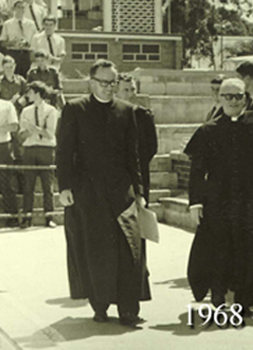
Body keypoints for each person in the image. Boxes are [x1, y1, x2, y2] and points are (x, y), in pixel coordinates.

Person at [57, 59, 149, 327]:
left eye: (113, 82)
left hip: (122, 192)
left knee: (129, 248)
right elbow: (64, 151)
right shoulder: (75, 109)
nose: (110, 87)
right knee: (95, 249)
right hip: (89, 192)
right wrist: (64, 186)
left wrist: (140, 191)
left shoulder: (127, 111)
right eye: (104, 82)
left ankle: (128, 308)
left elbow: (134, 156)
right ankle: (100, 305)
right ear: (91, 82)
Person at [184, 78, 253, 310]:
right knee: (220, 247)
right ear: (219, 98)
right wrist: (195, 202)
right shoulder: (207, 130)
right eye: (227, 96)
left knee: (249, 248)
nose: (233, 101)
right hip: (218, 201)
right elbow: (197, 171)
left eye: (238, 96)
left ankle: (243, 297)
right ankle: (218, 293)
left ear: (246, 99)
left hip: (251, 199)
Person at [18, 81, 55, 227]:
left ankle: (49, 217)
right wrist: (28, 131)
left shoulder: (51, 110)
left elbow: (49, 134)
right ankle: (27, 218)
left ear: (38, 93)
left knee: (48, 186)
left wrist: (33, 128)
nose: (28, 95)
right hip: (30, 150)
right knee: (28, 185)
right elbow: (21, 136)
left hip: (45, 150)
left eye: (30, 92)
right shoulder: (26, 111)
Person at [115, 73, 157, 206]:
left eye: (133, 89)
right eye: (125, 90)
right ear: (116, 92)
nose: (130, 94)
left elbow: (152, 147)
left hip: (139, 173)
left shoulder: (144, 116)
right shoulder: (110, 116)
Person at [0, 91, 19, 227]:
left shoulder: (7, 105)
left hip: (2, 147)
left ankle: (13, 217)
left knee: (7, 182)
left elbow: (14, 126)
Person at [0, 1, 37, 76]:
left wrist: (28, 44)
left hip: (26, 54)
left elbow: (36, 40)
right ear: (14, 9)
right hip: (13, 53)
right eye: (18, 7)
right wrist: (11, 43)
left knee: (26, 76)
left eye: (22, 7)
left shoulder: (31, 24)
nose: (20, 9)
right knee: (12, 75)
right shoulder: (7, 24)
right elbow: (2, 43)